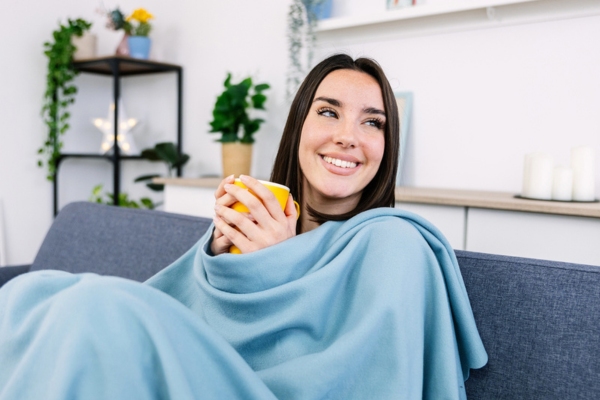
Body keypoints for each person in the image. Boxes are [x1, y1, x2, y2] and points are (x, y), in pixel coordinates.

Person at [0, 54, 487, 400]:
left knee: (96, 305)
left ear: (387, 147)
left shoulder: (393, 242)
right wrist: (220, 255)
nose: (347, 137)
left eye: (373, 123)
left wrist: (279, 264)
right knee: (32, 293)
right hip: (202, 378)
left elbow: (360, 381)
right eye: (329, 112)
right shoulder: (256, 221)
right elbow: (184, 322)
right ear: (298, 126)